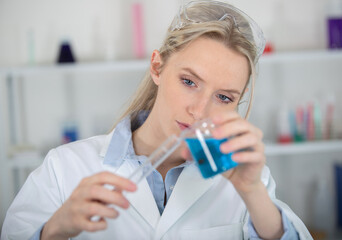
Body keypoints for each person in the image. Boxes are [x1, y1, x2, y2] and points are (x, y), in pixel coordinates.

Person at [1, 1, 313, 239]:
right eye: (189, 82)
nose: (200, 111)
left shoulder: (246, 182)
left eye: (224, 97)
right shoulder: (64, 168)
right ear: (157, 67)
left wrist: (253, 192)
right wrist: (54, 229)